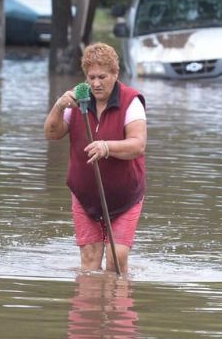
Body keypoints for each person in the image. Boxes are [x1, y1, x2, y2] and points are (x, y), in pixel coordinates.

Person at [44, 43, 147, 273]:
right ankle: (88, 307)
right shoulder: (78, 97)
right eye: (91, 77)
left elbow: (138, 145)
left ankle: (116, 308)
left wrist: (106, 147)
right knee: (89, 262)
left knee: (116, 259)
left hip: (125, 197)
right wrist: (59, 106)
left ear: (115, 74)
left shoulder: (132, 101)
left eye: (102, 77)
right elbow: (51, 133)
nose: (96, 83)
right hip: (85, 196)